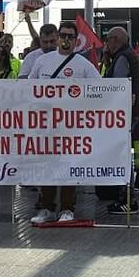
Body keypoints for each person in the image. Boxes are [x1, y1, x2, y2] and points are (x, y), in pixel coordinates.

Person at [28, 20, 100, 224]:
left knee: (69, 167)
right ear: (58, 37)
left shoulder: (83, 65)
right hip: (45, 126)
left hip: (71, 128)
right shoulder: (42, 61)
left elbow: (102, 90)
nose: (66, 40)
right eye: (63, 36)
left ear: (76, 41)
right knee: (47, 167)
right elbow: (28, 87)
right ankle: (46, 208)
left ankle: (68, 209)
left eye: (70, 36)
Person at [102, 27, 139, 215]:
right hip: (135, 109)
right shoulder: (130, 55)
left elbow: (116, 86)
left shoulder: (122, 58)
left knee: (122, 153)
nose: (107, 44)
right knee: (136, 146)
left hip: (126, 112)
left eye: (108, 40)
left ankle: (127, 198)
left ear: (116, 40)